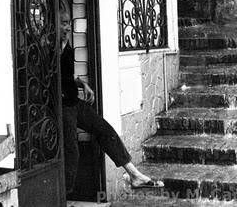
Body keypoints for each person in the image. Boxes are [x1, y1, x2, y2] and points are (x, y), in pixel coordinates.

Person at [59, 10, 164, 194]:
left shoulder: (67, 46)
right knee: (72, 152)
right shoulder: (47, 48)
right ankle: (63, 197)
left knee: (106, 130)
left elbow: (69, 75)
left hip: (74, 102)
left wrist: (83, 84)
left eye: (68, 23)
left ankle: (134, 175)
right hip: (62, 106)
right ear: (53, 24)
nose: (67, 27)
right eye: (63, 23)